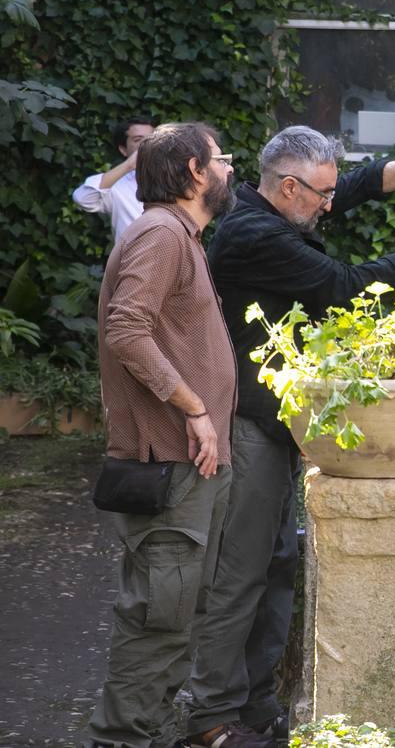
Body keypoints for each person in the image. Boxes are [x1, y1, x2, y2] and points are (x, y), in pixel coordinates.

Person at [185, 126, 395, 744]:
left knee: (276, 564)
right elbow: (342, 286)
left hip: (275, 418)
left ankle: (254, 704)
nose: (331, 204)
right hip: (248, 421)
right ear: (289, 187)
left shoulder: (272, 205)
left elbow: (355, 183)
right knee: (242, 571)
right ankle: (211, 717)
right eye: (319, 194)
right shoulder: (253, 234)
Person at [83, 123, 265, 748]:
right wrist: (192, 407)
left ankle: (148, 733)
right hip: (169, 469)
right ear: (194, 171)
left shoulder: (177, 236)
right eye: (223, 160)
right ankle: (122, 740)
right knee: (159, 620)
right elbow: (126, 329)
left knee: (177, 615)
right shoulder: (162, 234)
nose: (230, 171)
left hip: (190, 471)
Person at [73, 117, 155, 243]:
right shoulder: (115, 185)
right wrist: (129, 165)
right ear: (123, 149)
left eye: (152, 139)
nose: (147, 145)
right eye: (138, 140)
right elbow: (83, 198)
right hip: (133, 261)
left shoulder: (179, 180)